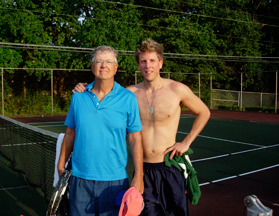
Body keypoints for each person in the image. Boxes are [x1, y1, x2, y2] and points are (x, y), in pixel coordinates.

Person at [73, 39, 210, 215]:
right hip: (143, 170)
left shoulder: (177, 89)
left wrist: (186, 143)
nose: (148, 66)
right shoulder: (129, 94)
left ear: (160, 63)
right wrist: (83, 87)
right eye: (143, 61)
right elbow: (104, 89)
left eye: (152, 61)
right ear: (138, 65)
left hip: (170, 168)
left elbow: (204, 112)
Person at [58, 45, 144, 216]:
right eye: (98, 61)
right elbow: (70, 134)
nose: (103, 65)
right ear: (92, 67)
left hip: (115, 182)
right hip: (80, 180)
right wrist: (60, 166)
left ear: (115, 68)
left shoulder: (128, 98)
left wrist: (139, 175)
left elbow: (135, 139)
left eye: (109, 61)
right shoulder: (78, 97)